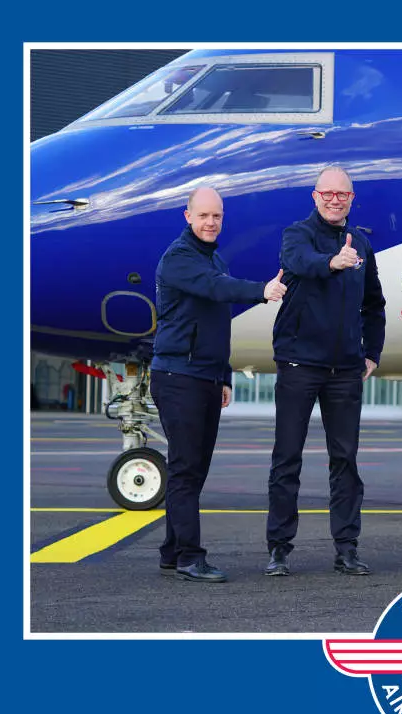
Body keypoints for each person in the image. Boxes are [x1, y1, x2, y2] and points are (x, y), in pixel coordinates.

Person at [151, 187, 287, 582]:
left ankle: (172, 551)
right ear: (187, 216)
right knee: (185, 470)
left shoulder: (213, 258)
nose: (211, 223)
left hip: (204, 377)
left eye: (217, 216)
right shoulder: (179, 259)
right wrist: (261, 291)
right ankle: (191, 557)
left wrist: (223, 374)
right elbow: (216, 289)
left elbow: (215, 323)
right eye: (204, 216)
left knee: (192, 471)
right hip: (178, 376)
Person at [265, 166, 386, 577]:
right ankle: (279, 548)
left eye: (343, 194)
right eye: (328, 193)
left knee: (345, 461)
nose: (335, 200)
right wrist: (333, 262)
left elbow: (374, 304)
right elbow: (297, 262)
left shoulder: (363, 245)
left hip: (346, 370)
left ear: (352, 199)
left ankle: (347, 547)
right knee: (287, 459)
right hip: (299, 364)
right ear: (315, 196)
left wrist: (372, 353)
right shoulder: (296, 235)